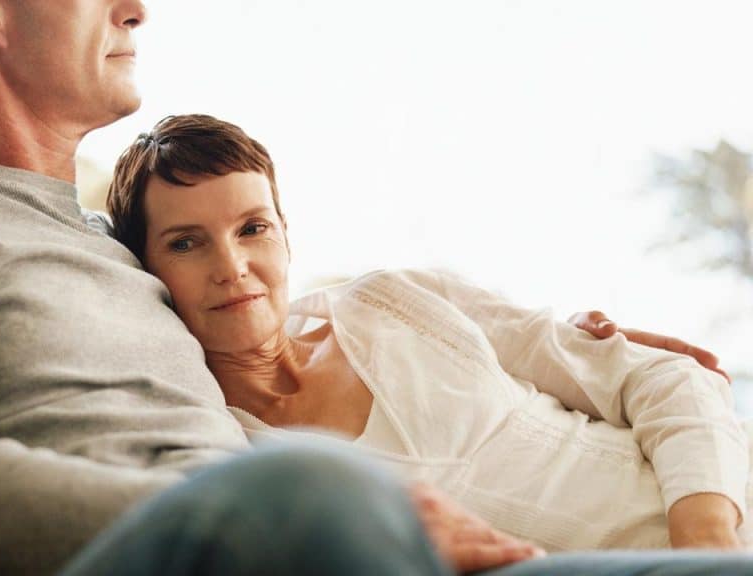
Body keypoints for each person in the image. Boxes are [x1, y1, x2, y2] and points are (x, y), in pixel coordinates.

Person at [0, 0, 745, 574]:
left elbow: (276, 319)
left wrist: (578, 342)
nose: (137, 7)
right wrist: (260, 509)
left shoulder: (125, 262)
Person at [106, 113, 753, 553]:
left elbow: (663, 377)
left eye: (253, 229)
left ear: (286, 236)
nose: (232, 268)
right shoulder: (228, 446)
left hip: (721, 504)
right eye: (187, 243)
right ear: (148, 269)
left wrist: (706, 539)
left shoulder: (398, 301)